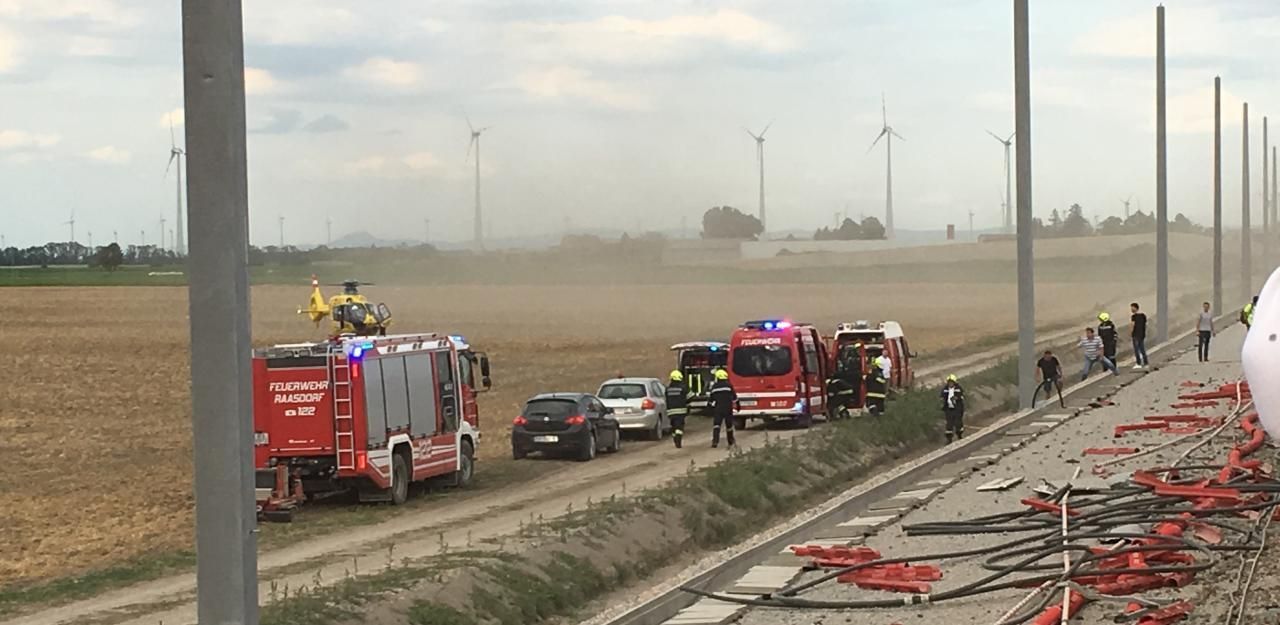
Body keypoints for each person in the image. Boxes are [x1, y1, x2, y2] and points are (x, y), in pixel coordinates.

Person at [707, 368, 737, 449]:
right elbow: (734, 398)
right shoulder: (729, 386)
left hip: (718, 409)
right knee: (729, 426)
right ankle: (730, 441)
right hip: (728, 408)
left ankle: (715, 442)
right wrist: (738, 406)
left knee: (716, 425)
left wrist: (709, 409)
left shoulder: (714, 387)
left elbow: (710, 400)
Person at [664, 370, 690, 449]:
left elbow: (666, 399)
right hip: (681, 411)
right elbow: (690, 396)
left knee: (674, 427)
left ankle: (675, 438)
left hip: (671, 412)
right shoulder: (683, 387)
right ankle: (678, 441)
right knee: (679, 427)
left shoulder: (668, 389)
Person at [940, 374, 965, 443]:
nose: (950, 384)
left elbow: (961, 396)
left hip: (957, 409)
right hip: (948, 409)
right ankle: (949, 438)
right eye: (949, 382)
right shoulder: (945, 389)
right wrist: (942, 402)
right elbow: (942, 396)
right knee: (949, 424)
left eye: (951, 382)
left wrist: (956, 398)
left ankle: (959, 435)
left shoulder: (958, 388)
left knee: (958, 422)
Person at [1130, 302, 1149, 369]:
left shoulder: (1134, 317)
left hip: (1135, 335)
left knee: (1136, 350)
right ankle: (1146, 362)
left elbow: (1133, 325)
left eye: (1132, 308)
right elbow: (1145, 324)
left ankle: (1138, 363)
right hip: (1142, 334)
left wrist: (1130, 333)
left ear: (1135, 308)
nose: (1131, 309)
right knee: (1142, 349)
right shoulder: (1143, 315)